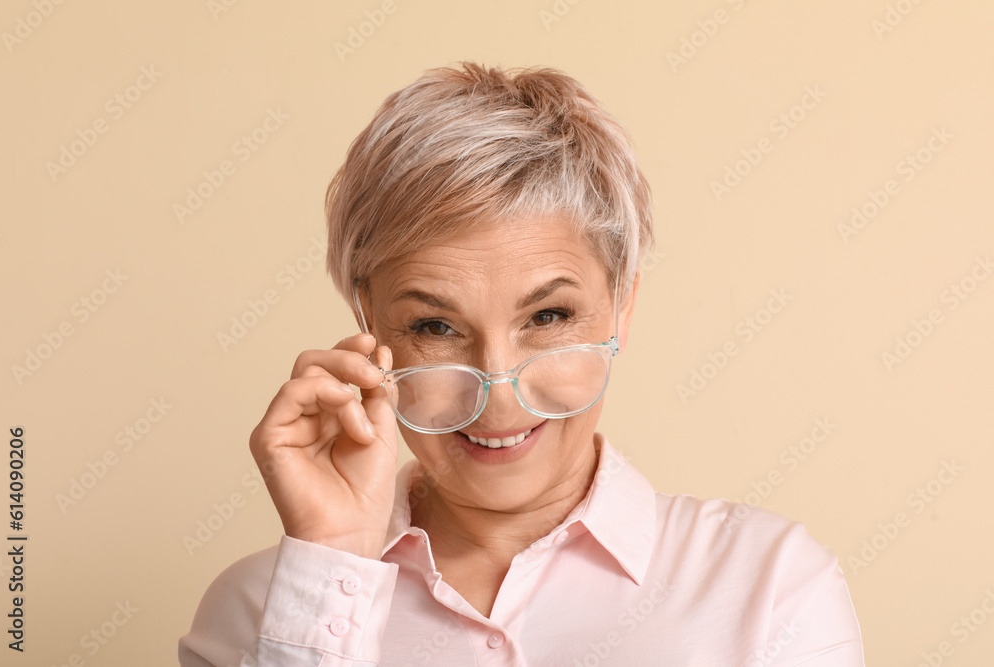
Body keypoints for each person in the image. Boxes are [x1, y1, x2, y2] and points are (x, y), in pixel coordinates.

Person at [179, 62, 864, 666]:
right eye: (436, 326)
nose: (499, 396)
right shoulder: (253, 616)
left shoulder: (770, 588)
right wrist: (330, 569)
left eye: (547, 317)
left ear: (621, 305)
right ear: (367, 325)